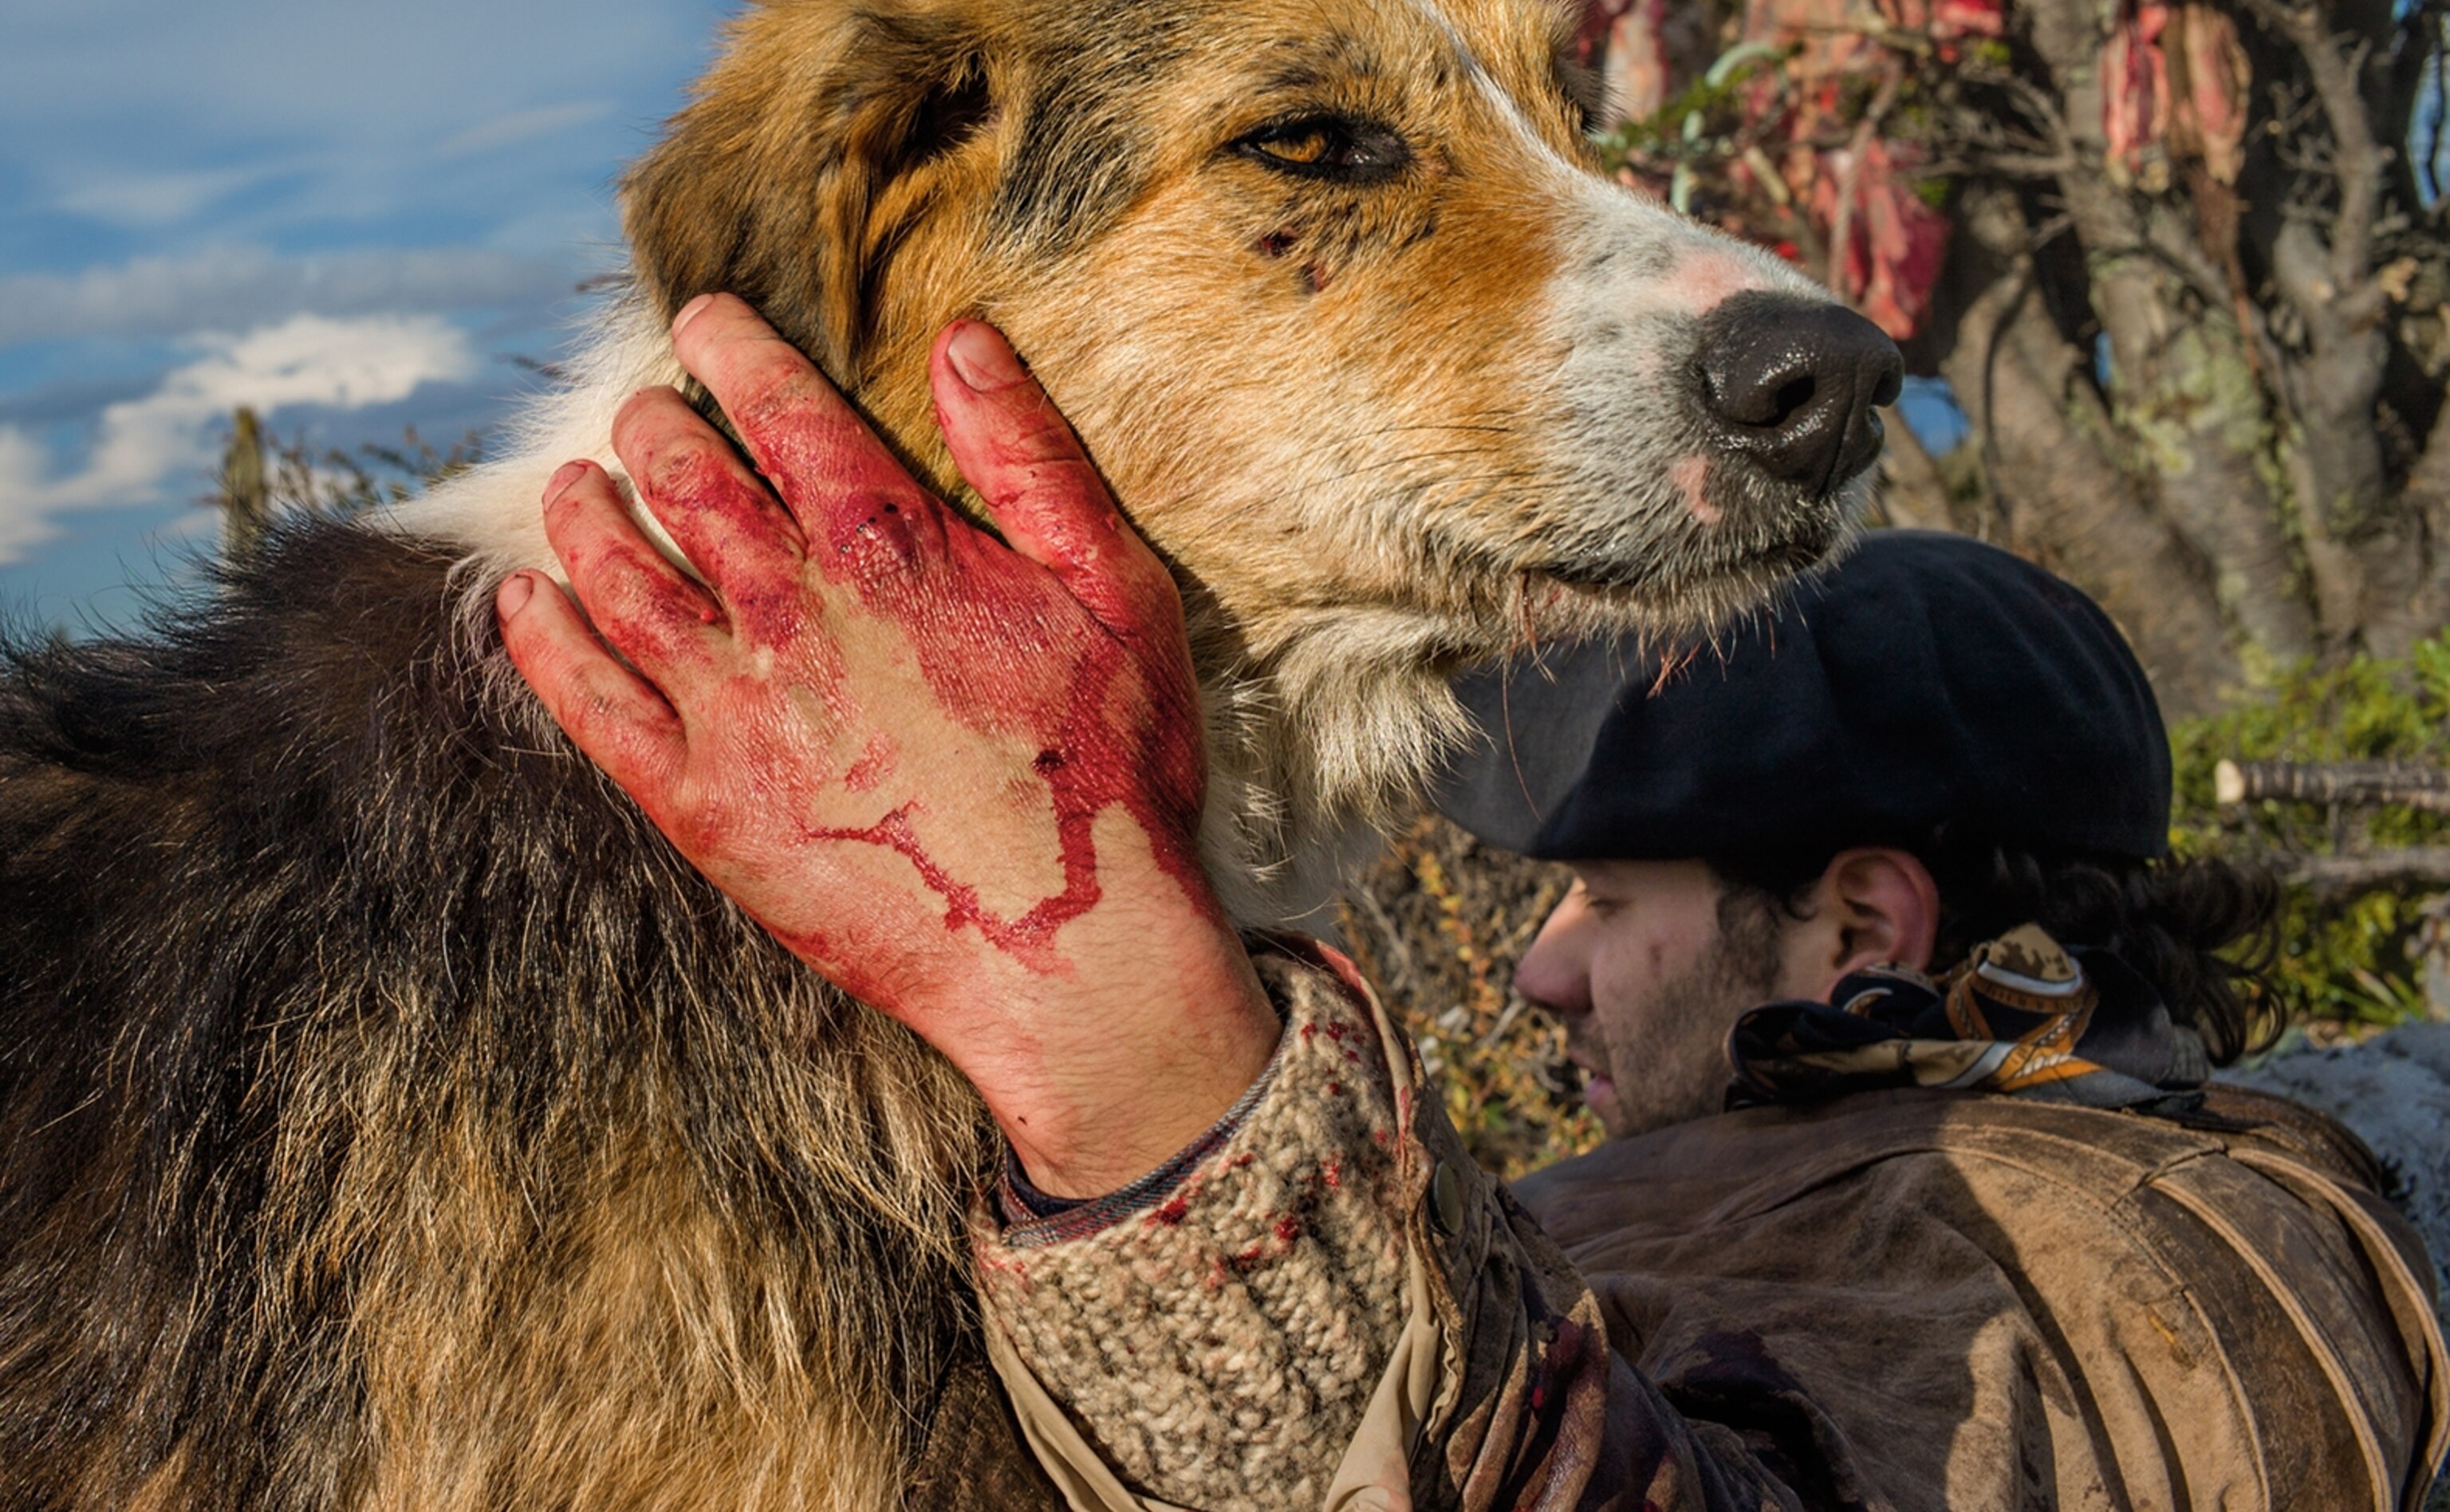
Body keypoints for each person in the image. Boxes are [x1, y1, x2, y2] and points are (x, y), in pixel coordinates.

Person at [505, 294, 2449, 1511]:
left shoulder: (2140, 1242)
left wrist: (1135, 1046)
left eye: (1608, 894)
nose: (1542, 968)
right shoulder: (1821, 1175)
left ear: (1862, 927)